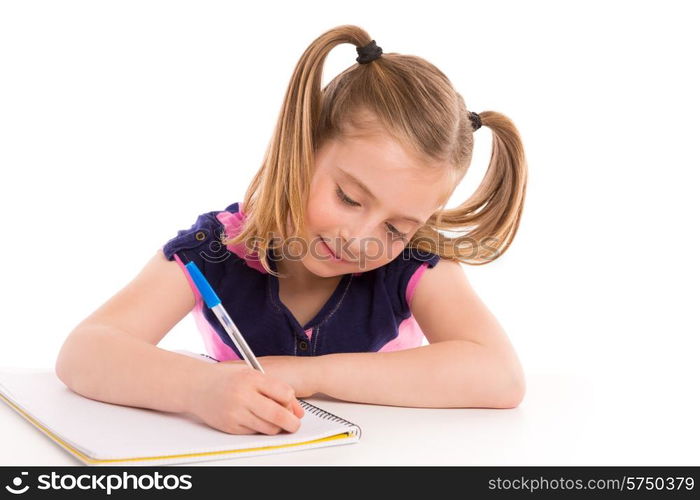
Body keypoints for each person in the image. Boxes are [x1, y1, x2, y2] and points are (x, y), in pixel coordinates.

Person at [55, 24, 528, 436]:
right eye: (348, 197)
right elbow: (85, 352)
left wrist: (308, 375)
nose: (360, 239)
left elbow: (500, 376)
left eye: (397, 227)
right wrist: (200, 388)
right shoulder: (215, 251)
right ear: (302, 148)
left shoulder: (414, 265)